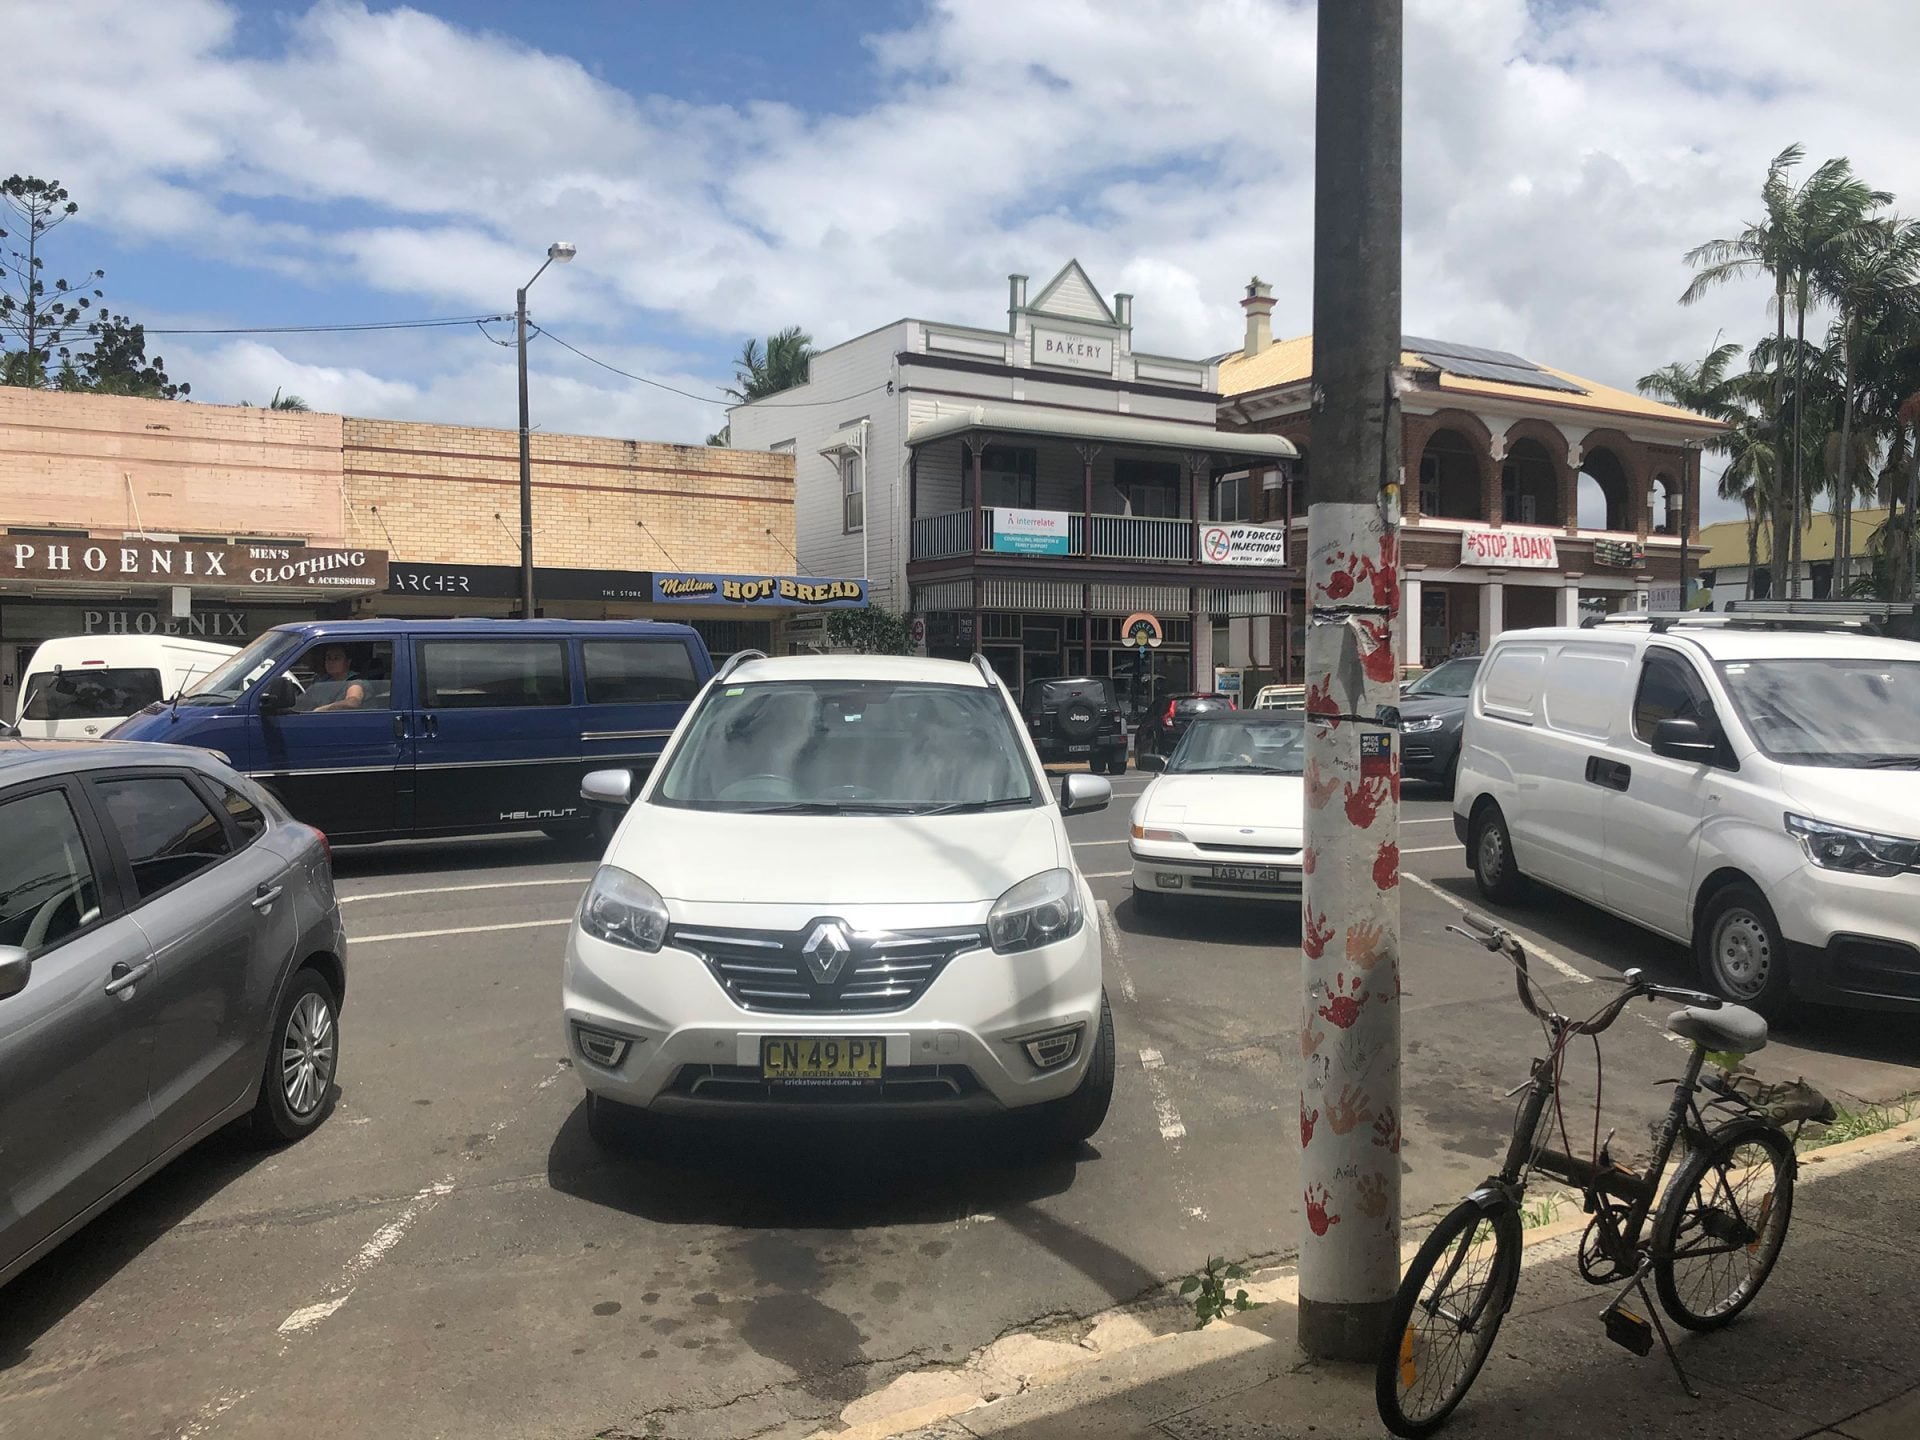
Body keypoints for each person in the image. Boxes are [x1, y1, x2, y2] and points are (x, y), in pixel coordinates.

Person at [307, 645, 367, 712]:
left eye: (336, 658)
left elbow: (353, 702)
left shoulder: (355, 680)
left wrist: (321, 710)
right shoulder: (324, 680)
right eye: (328, 658)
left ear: (347, 662)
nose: (331, 662)